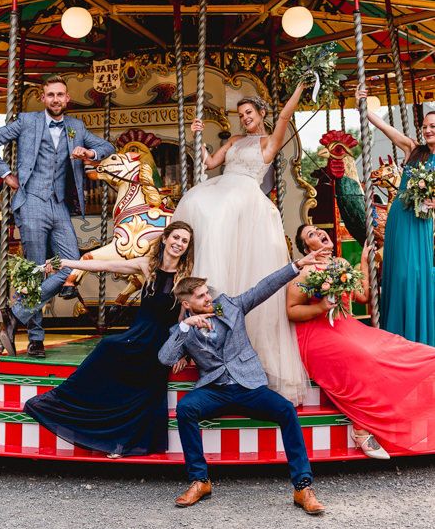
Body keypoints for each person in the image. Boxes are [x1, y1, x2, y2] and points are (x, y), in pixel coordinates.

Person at [158, 248, 328, 515]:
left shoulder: (229, 306)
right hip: (214, 390)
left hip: (249, 386)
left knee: (286, 411)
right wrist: (184, 326)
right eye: (201, 296)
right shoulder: (184, 329)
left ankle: (303, 487)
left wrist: (296, 266)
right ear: (187, 304)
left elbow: (263, 288)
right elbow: (165, 358)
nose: (208, 298)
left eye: (207, 292)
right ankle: (200, 481)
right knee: (186, 408)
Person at [171, 83, 309, 404]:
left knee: (217, 216)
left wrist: (298, 88)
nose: (245, 118)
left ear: (261, 114)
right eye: (241, 114)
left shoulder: (269, 141)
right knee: (198, 205)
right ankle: (203, 320)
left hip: (245, 198)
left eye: (249, 113)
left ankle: (241, 343)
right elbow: (209, 164)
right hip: (223, 189)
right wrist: (197, 138)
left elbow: (286, 115)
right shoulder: (233, 140)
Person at [21, 222, 194, 457]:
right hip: (138, 334)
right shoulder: (147, 265)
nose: (179, 244)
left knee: (145, 391)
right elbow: (103, 265)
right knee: (107, 347)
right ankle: (59, 399)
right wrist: (66, 263)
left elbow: (186, 317)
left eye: (184, 241)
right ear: (164, 238)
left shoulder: (184, 277)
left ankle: (124, 444)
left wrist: (182, 352)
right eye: (176, 237)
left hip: (160, 343)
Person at [0, 76, 114, 358]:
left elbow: (107, 148)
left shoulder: (76, 127)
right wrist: (5, 174)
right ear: (43, 98)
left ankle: (14, 315)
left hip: (59, 204)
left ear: (67, 99)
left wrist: (88, 152)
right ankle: (35, 339)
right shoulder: (27, 121)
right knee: (36, 270)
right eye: (50, 94)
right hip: (32, 202)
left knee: (70, 265)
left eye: (60, 95)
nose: (55, 99)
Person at [289, 224, 435, 458]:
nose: (319, 233)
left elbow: (363, 296)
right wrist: (319, 307)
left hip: (348, 327)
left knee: (402, 348)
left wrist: (364, 263)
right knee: (363, 356)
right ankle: (361, 426)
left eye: (318, 230)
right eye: (311, 234)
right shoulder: (305, 272)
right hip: (318, 333)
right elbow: (291, 310)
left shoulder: (341, 265)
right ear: (307, 247)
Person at [356, 86, 435, 346]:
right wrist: (363, 106)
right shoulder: (414, 150)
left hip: (421, 221)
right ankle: (397, 335)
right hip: (400, 219)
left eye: (433, 126)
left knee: (415, 273)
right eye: (425, 127)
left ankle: (419, 334)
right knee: (399, 273)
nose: (428, 131)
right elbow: (384, 128)